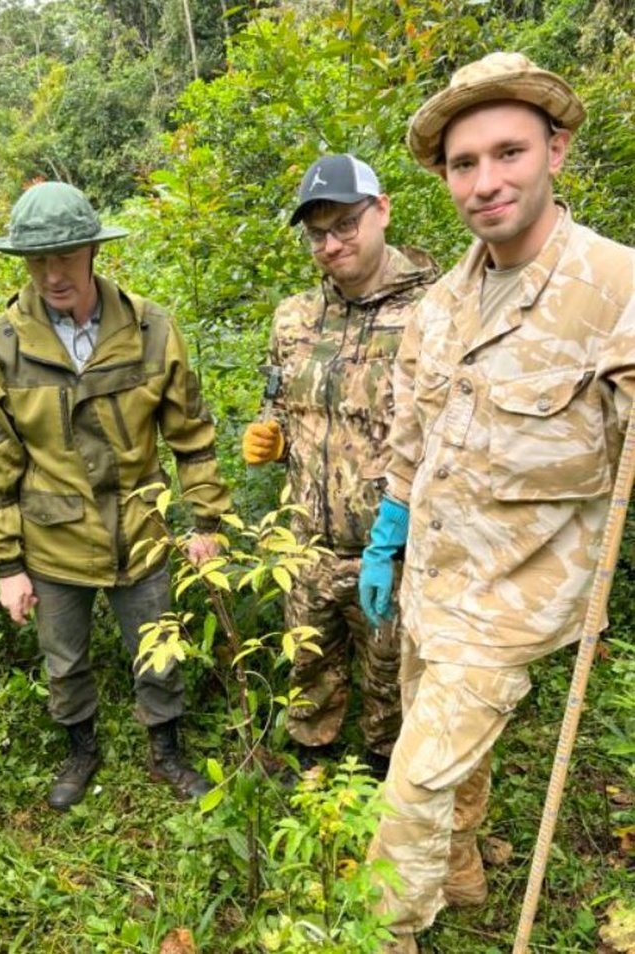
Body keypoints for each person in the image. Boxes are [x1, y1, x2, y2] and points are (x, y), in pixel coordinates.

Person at [359, 53, 635, 952]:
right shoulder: (439, 305)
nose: (486, 183)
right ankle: (464, 872)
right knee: (435, 744)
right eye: (464, 164)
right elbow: (412, 430)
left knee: (414, 781)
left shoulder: (617, 289)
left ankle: (383, 933)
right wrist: (387, 528)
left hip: (517, 593)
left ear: (555, 150)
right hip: (433, 580)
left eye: (508, 153)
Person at [0, 181, 231, 810]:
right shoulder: (0, 347)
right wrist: (8, 564)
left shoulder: (150, 328)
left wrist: (208, 522)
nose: (53, 274)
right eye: (38, 260)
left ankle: (166, 750)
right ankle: (80, 748)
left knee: (159, 650)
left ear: (92, 251)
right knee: (64, 660)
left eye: (65, 256)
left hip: (143, 530)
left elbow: (190, 437)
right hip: (52, 537)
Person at [242, 154, 439, 777]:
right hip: (309, 546)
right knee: (309, 669)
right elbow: (276, 403)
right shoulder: (295, 318)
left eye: (346, 225)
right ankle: (314, 774)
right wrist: (270, 436)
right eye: (317, 234)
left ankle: (386, 782)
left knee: (394, 681)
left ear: (381, 210)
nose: (331, 245)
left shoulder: (434, 313)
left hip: (396, 549)